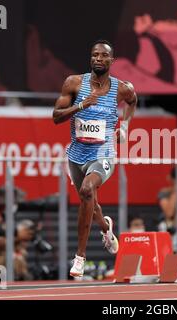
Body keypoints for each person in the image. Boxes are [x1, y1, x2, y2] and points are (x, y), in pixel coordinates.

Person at [52, 39, 137, 278]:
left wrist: (126, 126)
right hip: (77, 155)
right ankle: (106, 229)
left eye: (103, 56)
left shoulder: (122, 88)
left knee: (88, 190)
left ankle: (79, 257)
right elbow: (56, 117)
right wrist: (80, 106)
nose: (98, 59)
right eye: (95, 55)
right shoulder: (74, 83)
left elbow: (132, 101)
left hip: (104, 154)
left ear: (112, 61)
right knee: (89, 201)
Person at [0, 186, 35, 280]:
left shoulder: (6, 216)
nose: (15, 204)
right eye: (13, 202)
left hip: (11, 268)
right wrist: (18, 237)